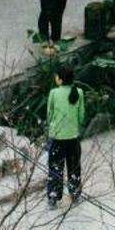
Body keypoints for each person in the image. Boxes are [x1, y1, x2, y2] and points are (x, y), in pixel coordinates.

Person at [45, 66, 87, 207]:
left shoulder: (54, 93)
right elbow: (81, 116)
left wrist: (53, 127)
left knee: (55, 167)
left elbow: (49, 114)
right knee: (74, 166)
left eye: (56, 76)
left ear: (60, 79)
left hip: (57, 137)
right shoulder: (79, 92)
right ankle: (75, 194)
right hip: (73, 137)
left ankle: (53, 197)